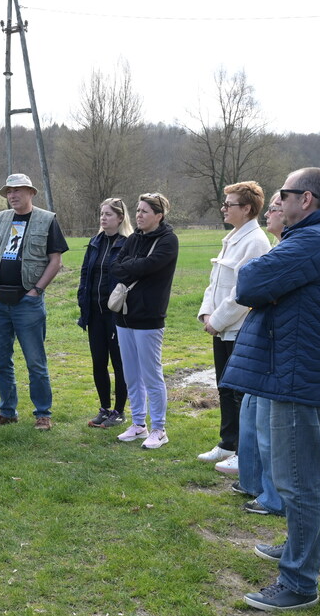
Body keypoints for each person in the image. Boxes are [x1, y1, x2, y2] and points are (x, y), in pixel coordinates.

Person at [220, 168, 320, 611]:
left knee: (301, 482)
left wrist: (265, 287)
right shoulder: (307, 238)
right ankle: (299, 549)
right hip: (295, 372)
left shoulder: (312, 241)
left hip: (300, 377)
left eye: (283, 194)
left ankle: (299, 582)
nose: (277, 200)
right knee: (298, 478)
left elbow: (250, 283)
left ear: (307, 199)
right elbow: (261, 287)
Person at [0, 173, 68, 431]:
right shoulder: (1, 218)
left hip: (27, 302)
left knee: (35, 361)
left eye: (18, 190)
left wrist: (36, 291)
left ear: (31, 192)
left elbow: (56, 260)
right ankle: (7, 412)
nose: (12, 195)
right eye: (9, 191)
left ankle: (43, 414)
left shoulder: (46, 219)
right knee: (0, 360)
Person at [196, 182, 271, 475]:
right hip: (221, 327)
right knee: (224, 387)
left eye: (230, 204)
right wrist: (206, 313)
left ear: (247, 209)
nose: (224, 208)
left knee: (241, 392)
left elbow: (243, 291)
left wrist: (217, 320)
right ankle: (227, 443)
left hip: (238, 328)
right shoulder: (233, 237)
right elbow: (215, 282)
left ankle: (243, 452)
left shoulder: (256, 242)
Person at [112, 192, 179, 449]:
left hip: (149, 316)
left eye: (144, 212)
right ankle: (138, 424)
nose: (138, 215)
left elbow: (148, 266)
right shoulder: (132, 239)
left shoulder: (168, 241)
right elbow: (115, 267)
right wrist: (135, 264)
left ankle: (159, 429)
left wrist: (133, 265)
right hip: (124, 315)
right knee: (131, 374)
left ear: (158, 216)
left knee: (152, 375)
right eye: (138, 211)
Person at [235, 193, 286, 517]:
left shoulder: (286, 249)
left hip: (275, 351)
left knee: (269, 429)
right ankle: (253, 483)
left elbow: (250, 288)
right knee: (251, 416)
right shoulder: (279, 246)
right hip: (262, 346)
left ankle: (274, 497)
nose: (269, 213)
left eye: (275, 209)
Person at [77, 198, 133, 429]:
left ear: (120, 218)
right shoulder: (94, 242)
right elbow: (84, 274)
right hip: (94, 313)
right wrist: (82, 301)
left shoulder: (129, 243)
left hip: (116, 315)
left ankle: (119, 411)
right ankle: (104, 408)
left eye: (109, 214)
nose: (103, 218)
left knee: (119, 363)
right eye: (101, 213)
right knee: (98, 362)